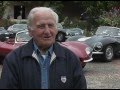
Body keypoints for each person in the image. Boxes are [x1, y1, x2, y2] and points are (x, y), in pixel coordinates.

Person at [0, 7, 87, 89]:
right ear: (30, 31)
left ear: (56, 29)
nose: (47, 31)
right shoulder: (14, 60)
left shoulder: (71, 59)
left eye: (51, 25)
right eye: (41, 26)